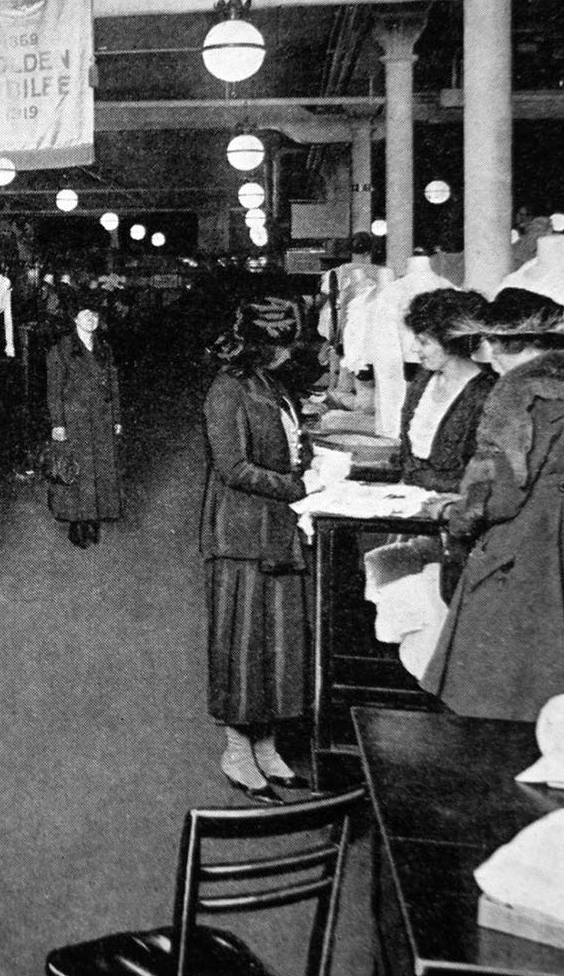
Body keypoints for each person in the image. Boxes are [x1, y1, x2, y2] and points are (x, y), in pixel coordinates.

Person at [420, 288, 564, 722]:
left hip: (522, 551)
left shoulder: (516, 395)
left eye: (489, 341)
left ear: (505, 344)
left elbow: (498, 493)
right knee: (559, 680)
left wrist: (452, 512)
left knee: (495, 687)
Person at [200, 297, 316, 804]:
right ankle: (235, 749)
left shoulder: (272, 384)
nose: (288, 355)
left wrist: (307, 462)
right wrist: (298, 487)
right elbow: (233, 468)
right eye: (280, 346)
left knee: (276, 642)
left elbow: (291, 440)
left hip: (276, 531)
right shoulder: (227, 390)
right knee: (243, 643)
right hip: (241, 535)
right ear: (257, 345)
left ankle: (266, 746)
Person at [398, 288, 495, 493]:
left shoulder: (487, 393)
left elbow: (487, 480)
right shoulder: (423, 379)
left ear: (451, 343)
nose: (415, 349)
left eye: (423, 341)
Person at [46, 293, 122, 548]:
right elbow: (54, 391)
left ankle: (93, 518)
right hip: (75, 419)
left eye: (95, 315)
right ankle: (77, 522)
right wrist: (58, 424)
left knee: (99, 470)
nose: (91, 319)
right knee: (77, 472)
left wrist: (117, 418)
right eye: (85, 314)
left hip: (100, 418)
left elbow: (113, 385)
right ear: (74, 319)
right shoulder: (61, 350)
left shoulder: (105, 348)